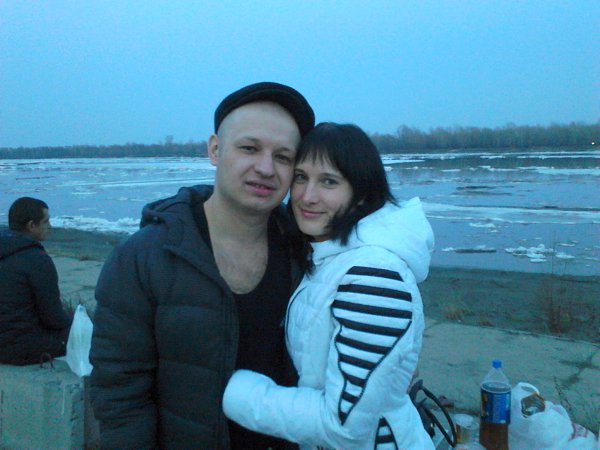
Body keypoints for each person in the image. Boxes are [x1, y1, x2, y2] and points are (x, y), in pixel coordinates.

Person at [89, 82, 315, 449]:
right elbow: (120, 392)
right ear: (215, 150)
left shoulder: (306, 250)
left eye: (283, 157)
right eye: (249, 148)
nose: (265, 168)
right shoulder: (144, 258)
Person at [223, 123, 436, 449]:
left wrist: (229, 390)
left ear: (361, 194)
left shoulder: (373, 277)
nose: (307, 196)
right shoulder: (328, 257)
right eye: (301, 177)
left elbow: (343, 427)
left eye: (329, 182)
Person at [0, 197, 72, 365]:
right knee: (86, 330)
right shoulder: (37, 259)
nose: (50, 226)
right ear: (31, 225)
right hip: (20, 348)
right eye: (46, 221)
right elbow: (53, 318)